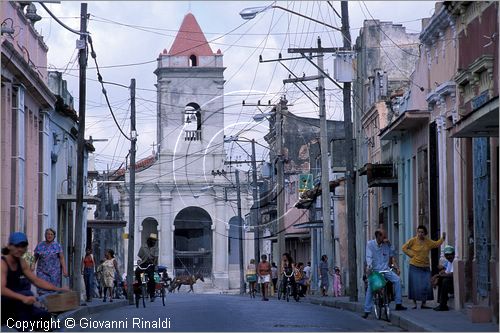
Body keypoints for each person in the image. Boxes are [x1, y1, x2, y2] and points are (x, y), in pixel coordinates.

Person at [1, 232, 69, 329]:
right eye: (16, 246)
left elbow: (36, 281)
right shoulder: (3, 264)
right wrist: (23, 298)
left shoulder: (21, 262)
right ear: (9, 246)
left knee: (44, 316)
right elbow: (2, 290)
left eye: (23, 246)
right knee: (27, 296)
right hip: (6, 303)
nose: (19, 249)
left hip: (20, 302)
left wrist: (58, 289)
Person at [362, 229, 407, 319]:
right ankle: (367, 310)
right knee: (371, 287)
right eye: (383, 236)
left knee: (397, 280)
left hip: (385, 269)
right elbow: (369, 257)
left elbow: (392, 253)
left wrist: (390, 244)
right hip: (375, 270)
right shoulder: (370, 244)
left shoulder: (386, 245)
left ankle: (398, 303)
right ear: (378, 236)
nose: (385, 238)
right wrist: (369, 267)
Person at [402, 225, 445, 309]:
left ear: (425, 233)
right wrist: (411, 255)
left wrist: (442, 238)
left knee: (426, 285)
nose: (420, 234)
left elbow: (436, 244)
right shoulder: (413, 240)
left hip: (425, 266)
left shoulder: (427, 241)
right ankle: (414, 304)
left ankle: (423, 303)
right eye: (419, 232)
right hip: (414, 265)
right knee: (414, 286)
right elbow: (404, 248)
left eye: (422, 232)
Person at [31, 228, 68, 295]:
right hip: (42, 272)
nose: (49, 236)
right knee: (42, 289)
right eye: (48, 234)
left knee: (53, 290)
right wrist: (33, 265)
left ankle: (52, 304)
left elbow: (62, 258)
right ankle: (43, 303)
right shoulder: (40, 245)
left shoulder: (57, 246)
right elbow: (35, 257)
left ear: (54, 236)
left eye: (51, 234)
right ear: (45, 235)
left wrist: (64, 270)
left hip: (54, 273)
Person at [136, 233, 158, 301]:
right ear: (149, 240)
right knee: (137, 271)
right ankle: (141, 285)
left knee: (152, 278)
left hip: (151, 264)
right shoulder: (143, 247)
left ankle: (152, 294)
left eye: (155, 241)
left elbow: (156, 257)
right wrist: (144, 258)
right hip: (144, 263)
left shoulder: (155, 248)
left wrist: (154, 263)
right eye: (153, 240)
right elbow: (139, 255)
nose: (154, 242)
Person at [433, 245, 455, 311]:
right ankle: (441, 303)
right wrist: (438, 276)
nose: (448, 256)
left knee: (445, 281)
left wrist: (439, 276)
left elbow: (452, 274)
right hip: (450, 283)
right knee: (441, 280)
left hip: (454, 284)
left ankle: (443, 304)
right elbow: (446, 272)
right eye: (447, 255)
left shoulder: (454, 261)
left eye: (450, 254)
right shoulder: (449, 262)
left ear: (453, 254)